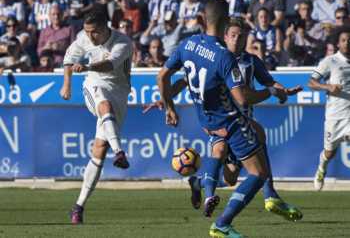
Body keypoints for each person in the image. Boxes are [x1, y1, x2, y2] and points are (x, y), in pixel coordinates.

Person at [144, 16, 303, 222]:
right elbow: (184, 81)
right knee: (232, 146)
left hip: (241, 124)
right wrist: (164, 100)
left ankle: (198, 183)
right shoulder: (215, 57)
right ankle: (268, 195)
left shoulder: (251, 61)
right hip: (222, 121)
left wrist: (284, 91)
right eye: (233, 35)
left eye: (241, 36)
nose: (236, 40)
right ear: (225, 37)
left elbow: (270, 82)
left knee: (229, 180)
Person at [60, 11, 133, 223]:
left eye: (94, 33)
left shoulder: (123, 42)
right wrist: (67, 83)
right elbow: (68, 57)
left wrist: (88, 66)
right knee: (104, 105)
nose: (90, 37)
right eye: (87, 32)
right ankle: (119, 151)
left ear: (105, 28)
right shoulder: (84, 38)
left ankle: (78, 207)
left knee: (99, 150)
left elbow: (111, 64)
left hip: (119, 92)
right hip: (93, 84)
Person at [307, 25, 350, 191]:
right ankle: (321, 169)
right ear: (338, 43)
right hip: (335, 116)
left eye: (349, 40)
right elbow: (311, 82)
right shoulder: (329, 62)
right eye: (343, 40)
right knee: (329, 153)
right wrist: (329, 87)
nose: (347, 43)